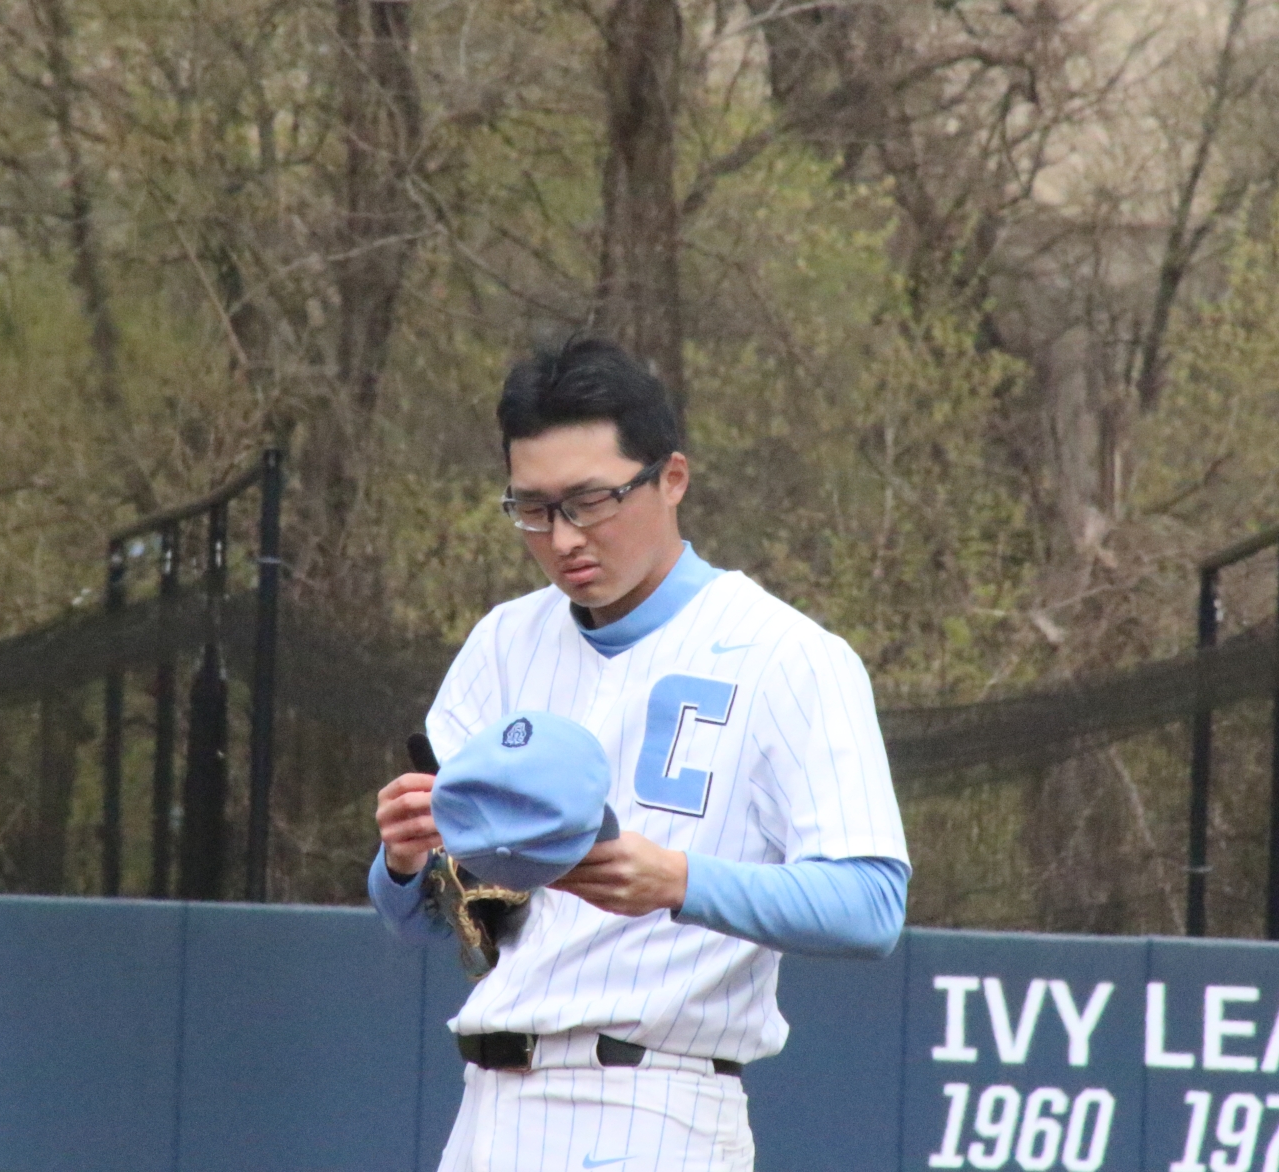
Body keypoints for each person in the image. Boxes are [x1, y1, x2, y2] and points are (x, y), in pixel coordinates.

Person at [369, 336, 911, 1171]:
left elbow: (870, 904)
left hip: (654, 1102)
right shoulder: (504, 641)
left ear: (672, 478)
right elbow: (423, 921)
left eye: (590, 500)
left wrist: (680, 882)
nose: (563, 537)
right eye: (533, 508)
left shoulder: (788, 654)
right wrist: (405, 863)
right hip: (488, 1106)